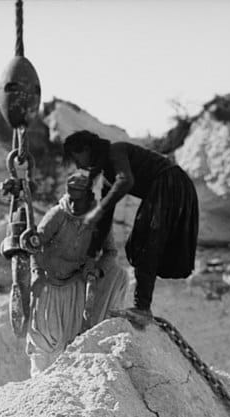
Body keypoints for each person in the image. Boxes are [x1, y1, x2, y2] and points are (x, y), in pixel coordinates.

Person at [62, 130, 199, 323]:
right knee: (141, 244)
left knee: (146, 243)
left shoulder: (116, 151)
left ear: (86, 149)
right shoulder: (109, 174)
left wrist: (99, 209)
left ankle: (142, 308)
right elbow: (104, 220)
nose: (78, 165)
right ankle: (142, 307)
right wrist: (91, 255)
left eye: (76, 157)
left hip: (170, 183)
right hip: (169, 187)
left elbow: (126, 181)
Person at [26, 170, 130, 375]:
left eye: (78, 199)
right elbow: (35, 244)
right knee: (44, 339)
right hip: (48, 282)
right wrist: (36, 271)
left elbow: (110, 252)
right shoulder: (58, 214)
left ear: (89, 197)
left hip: (75, 284)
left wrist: (97, 271)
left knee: (69, 338)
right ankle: (39, 380)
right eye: (71, 197)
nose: (73, 205)